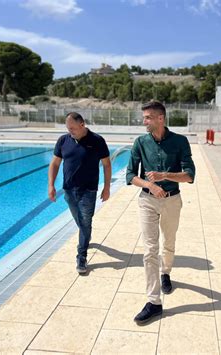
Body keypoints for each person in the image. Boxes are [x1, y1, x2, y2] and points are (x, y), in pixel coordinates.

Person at [126, 100, 196, 325]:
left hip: (172, 200)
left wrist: (165, 176)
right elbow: (130, 175)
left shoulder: (180, 141)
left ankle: (166, 272)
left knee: (169, 242)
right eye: (144, 117)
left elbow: (189, 176)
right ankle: (153, 302)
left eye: (147, 117)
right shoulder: (140, 142)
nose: (144, 121)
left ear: (160, 119)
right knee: (149, 250)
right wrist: (150, 185)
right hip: (147, 201)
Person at [48, 112, 111, 274]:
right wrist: (51, 185)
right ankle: (86, 237)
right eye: (68, 128)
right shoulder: (63, 140)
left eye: (72, 128)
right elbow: (55, 164)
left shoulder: (97, 141)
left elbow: (106, 165)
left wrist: (107, 188)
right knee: (80, 221)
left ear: (82, 125)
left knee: (85, 222)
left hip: (88, 191)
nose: (70, 131)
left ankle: (81, 256)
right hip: (68, 190)